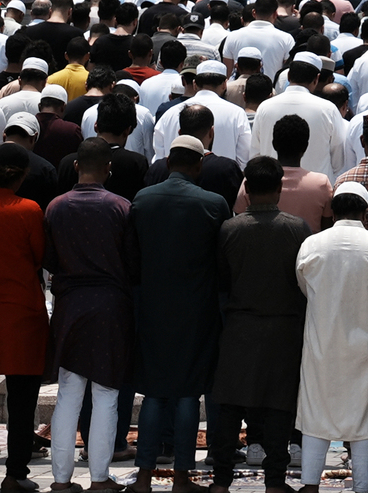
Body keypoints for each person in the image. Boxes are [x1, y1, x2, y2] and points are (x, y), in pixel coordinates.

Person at [43, 138, 140, 492]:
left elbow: (49, 260)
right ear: (108, 169)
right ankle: (100, 478)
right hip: (111, 307)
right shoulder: (121, 207)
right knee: (106, 394)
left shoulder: (56, 207)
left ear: (75, 167)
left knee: (69, 393)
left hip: (70, 307)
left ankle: (60, 480)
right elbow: (133, 262)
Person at [126, 139, 221, 491]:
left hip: (152, 308)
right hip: (196, 311)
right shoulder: (212, 204)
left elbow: (132, 256)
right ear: (198, 166)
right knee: (186, 394)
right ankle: (182, 476)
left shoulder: (143, 200)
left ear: (168, 162)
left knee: (153, 393)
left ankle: (144, 477)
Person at [218, 155, 313, 493]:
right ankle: (275, 481)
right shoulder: (297, 228)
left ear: (246, 188)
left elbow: (221, 279)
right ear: (277, 190)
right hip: (284, 328)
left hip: (239, 326)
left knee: (229, 404)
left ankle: (221, 480)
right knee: (279, 406)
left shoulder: (229, 229)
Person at [296, 186, 368, 493]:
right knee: (366, 414)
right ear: (365, 212)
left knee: (317, 411)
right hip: (367, 343)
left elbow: (304, 287)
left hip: (321, 342)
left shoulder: (311, 244)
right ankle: (362, 486)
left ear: (333, 210)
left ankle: (310, 484)